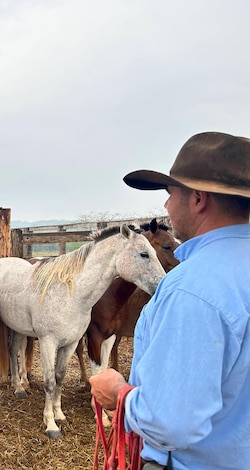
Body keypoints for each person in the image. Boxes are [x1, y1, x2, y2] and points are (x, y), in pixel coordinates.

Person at [89, 131, 250, 470]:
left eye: (169, 193)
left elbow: (170, 423)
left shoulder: (192, 289)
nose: (165, 205)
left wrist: (119, 396)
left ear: (198, 198)